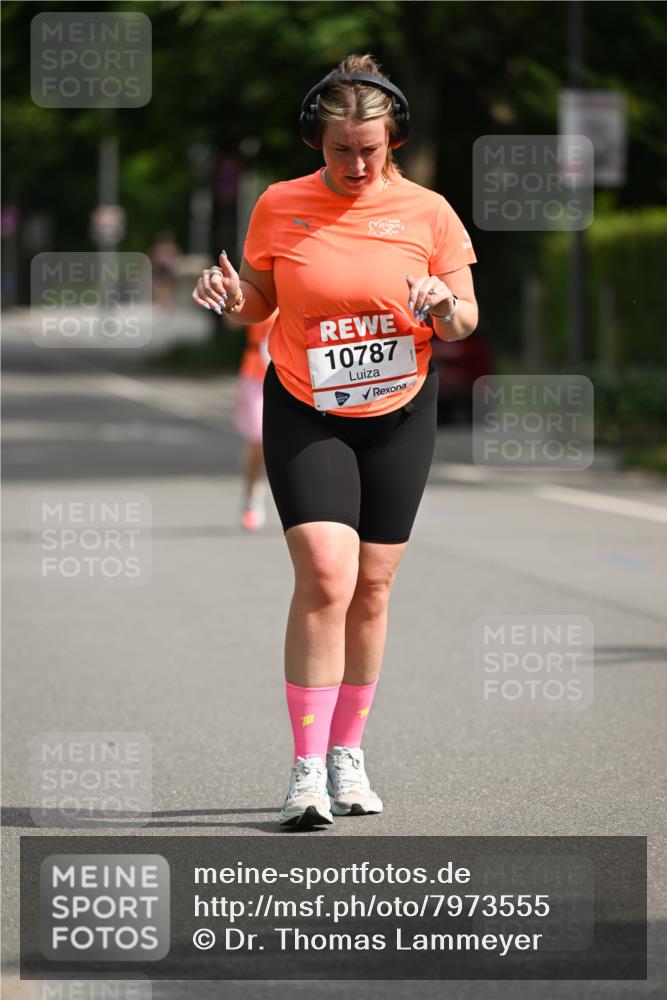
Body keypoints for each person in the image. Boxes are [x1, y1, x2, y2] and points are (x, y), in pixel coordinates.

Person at [193, 53, 478, 829]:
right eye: (339, 150)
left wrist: (442, 299)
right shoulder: (280, 204)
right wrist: (227, 296)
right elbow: (258, 302)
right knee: (326, 575)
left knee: (374, 588)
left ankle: (349, 756)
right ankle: (305, 770)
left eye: (370, 149)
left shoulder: (429, 212)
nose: (354, 164)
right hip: (305, 406)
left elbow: (465, 321)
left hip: (399, 412)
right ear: (315, 143)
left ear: (394, 141)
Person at [232, 309, 278, 531]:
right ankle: (252, 497)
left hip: (294, 375)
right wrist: (233, 301)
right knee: (258, 440)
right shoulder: (261, 282)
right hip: (256, 374)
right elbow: (231, 323)